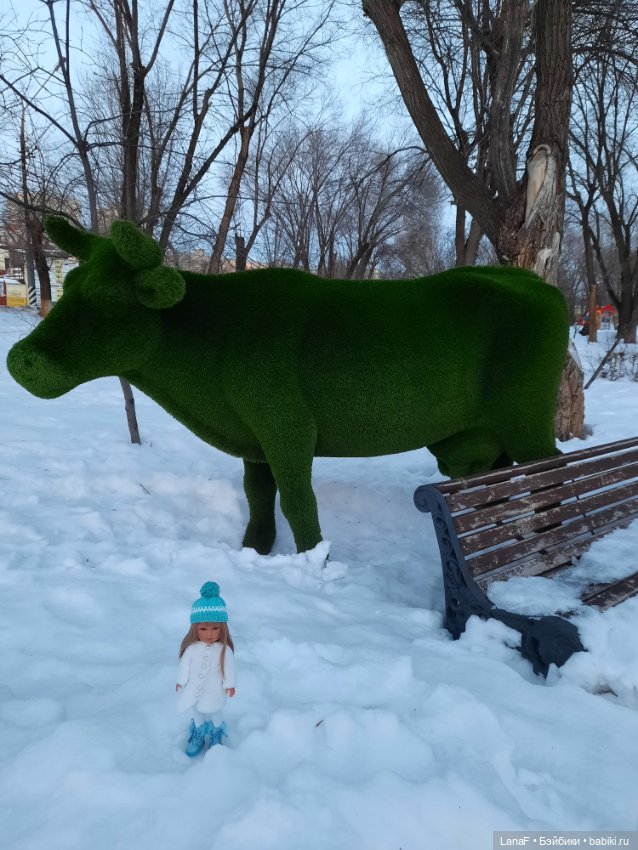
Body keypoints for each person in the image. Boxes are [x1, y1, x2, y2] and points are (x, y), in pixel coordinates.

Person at [176, 581, 236, 757]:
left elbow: (229, 668)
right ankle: (199, 733)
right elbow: (184, 666)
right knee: (197, 712)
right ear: (195, 628)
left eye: (215, 628)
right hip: (195, 691)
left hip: (215, 691)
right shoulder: (192, 649)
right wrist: (181, 681)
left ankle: (217, 733)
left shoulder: (223, 650)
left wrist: (230, 684)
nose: (209, 634)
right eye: (203, 628)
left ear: (222, 628)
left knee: (216, 712)